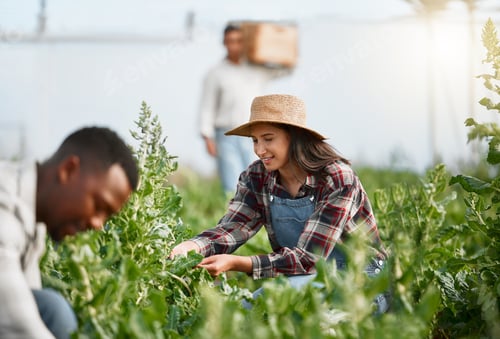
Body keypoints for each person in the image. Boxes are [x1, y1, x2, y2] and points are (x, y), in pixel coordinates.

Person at [172, 94, 389, 313]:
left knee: (298, 312)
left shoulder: (337, 178)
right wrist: (194, 246)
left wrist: (239, 263)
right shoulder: (256, 176)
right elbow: (235, 227)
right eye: (255, 140)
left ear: (294, 137)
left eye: (268, 139)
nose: (259, 150)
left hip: (362, 282)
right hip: (305, 279)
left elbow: (309, 258)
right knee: (244, 313)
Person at [0, 127, 139, 339]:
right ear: (68, 170)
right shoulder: (4, 207)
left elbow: (29, 306)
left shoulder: (34, 221)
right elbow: (21, 328)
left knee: (50, 308)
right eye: (99, 206)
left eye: (107, 217)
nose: (98, 224)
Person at [199, 23, 292, 193]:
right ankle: (234, 217)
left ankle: (259, 217)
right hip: (226, 134)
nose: (234, 45)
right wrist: (207, 137)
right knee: (232, 184)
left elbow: (285, 70)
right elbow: (207, 107)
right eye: (230, 41)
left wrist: (270, 47)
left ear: (244, 43)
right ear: (224, 43)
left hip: (254, 133)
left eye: (238, 41)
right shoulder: (215, 73)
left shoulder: (256, 69)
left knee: (257, 180)